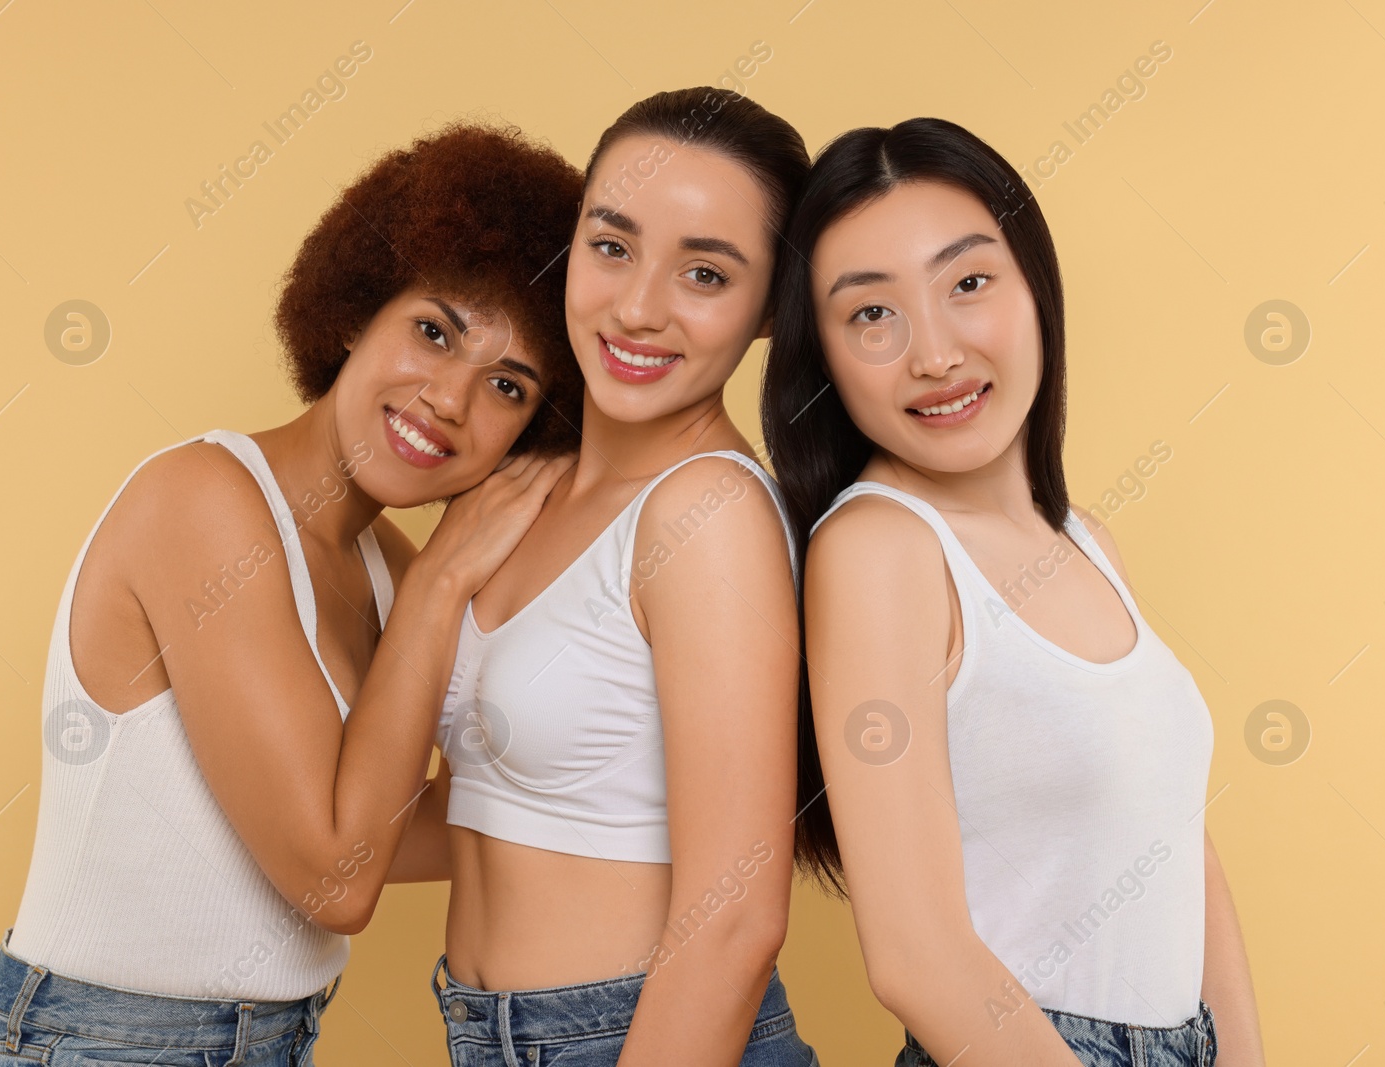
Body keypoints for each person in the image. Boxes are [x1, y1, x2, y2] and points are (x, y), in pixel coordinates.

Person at [0, 122, 583, 1067]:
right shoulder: (204, 501)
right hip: (100, 1041)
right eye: (433, 331)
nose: (451, 399)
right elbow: (335, 883)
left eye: (506, 384)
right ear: (352, 313)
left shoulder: (388, 567)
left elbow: (387, 836)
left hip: (269, 1040)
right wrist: (448, 581)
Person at [761, 117, 1265, 1066]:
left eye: (968, 283)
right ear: (820, 356)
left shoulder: (1083, 540)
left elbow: (1179, 849)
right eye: (872, 313)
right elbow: (917, 956)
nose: (936, 354)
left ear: (1036, 287)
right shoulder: (879, 550)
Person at [424, 87, 819, 1065]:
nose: (638, 306)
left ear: (771, 307)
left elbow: (733, 918)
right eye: (612, 245)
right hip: (498, 1034)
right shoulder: (519, 497)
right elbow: (479, 800)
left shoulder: (706, 514)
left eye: (704, 272)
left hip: (635, 1037)